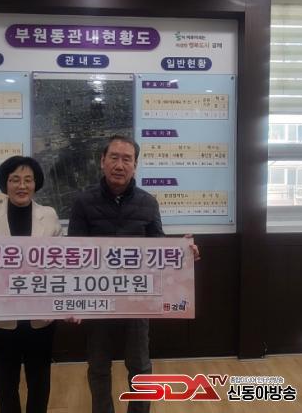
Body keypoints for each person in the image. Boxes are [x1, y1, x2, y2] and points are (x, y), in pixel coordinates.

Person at [68, 135, 199, 413]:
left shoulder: (148, 203)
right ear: (102, 161)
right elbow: (74, 252)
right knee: (98, 365)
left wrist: (183, 253)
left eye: (127, 159)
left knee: (140, 365)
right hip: (97, 297)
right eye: (114, 157)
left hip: (138, 298)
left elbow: (158, 246)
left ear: (135, 165)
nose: (120, 165)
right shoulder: (83, 202)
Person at [0, 155, 61, 413]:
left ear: (36, 184)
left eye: (28, 180)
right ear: (5, 183)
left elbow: (61, 264)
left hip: (40, 316)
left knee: (39, 379)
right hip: (1, 316)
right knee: (5, 380)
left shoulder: (49, 216)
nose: (22, 186)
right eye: (15, 180)